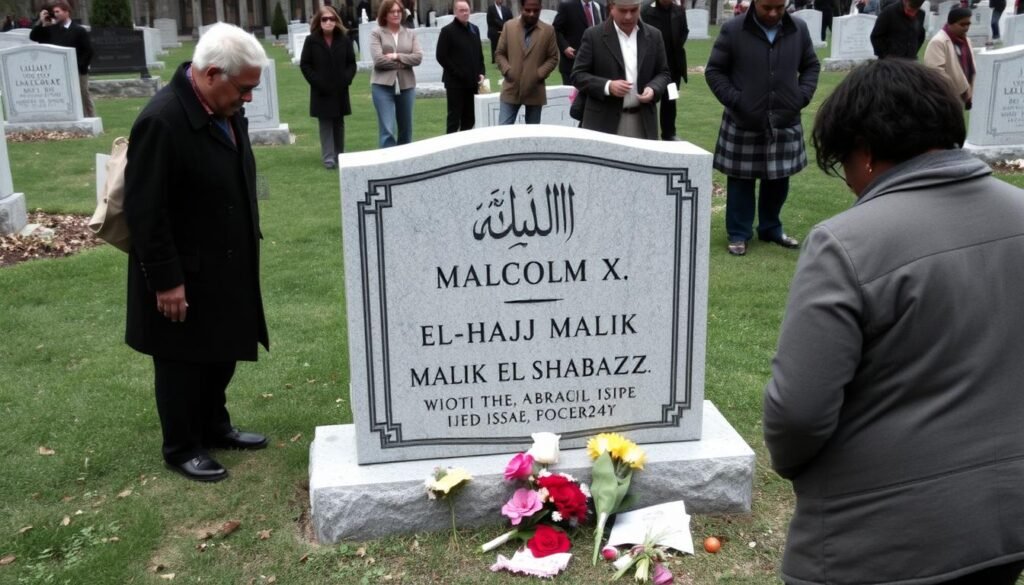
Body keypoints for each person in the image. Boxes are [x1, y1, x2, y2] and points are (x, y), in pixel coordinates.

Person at [765, 58, 1024, 585]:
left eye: (843, 163)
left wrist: (793, 463)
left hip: (880, 541)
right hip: (1007, 524)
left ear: (863, 151)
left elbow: (799, 413)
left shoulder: (845, 244)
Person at [123, 23, 271, 483]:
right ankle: (182, 445)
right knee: (181, 359)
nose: (249, 98)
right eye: (243, 88)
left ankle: (213, 425)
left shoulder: (224, 109)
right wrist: (165, 279)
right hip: (183, 267)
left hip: (223, 259)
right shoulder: (162, 120)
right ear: (210, 75)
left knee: (220, 350)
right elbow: (146, 210)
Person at [705, 0, 819, 256]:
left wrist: (800, 97)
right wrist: (737, 100)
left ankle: (771, 228)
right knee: (741, 181)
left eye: (779, 7)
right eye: (767, 7)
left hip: (784, 118)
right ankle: (738, 233)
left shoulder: (798, 29)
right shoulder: (734, 29)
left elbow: (811, 65)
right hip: (744, 119)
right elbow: (714, 71)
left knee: (778, 179)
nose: (773, 13)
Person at [571, 0, 670, 139]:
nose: (628, 16)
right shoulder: (593, 35)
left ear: (639, 7)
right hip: (603, 122)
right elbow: (578, 75)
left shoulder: (654, 35)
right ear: (612, 8)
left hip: (643, 121)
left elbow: (663, 73)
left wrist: (653, 88)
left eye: (633, 10)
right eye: (623, 11)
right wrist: (608, 86)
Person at [300, 5, 357, 169]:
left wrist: (346, 79)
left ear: (336, 21)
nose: (328, 22)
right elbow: (305, 64)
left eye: (332, 19)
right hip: (321, 90)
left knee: (339, 122)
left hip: (340, 89)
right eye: (324, 19)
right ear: (319, 21)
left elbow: (351, 63)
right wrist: (317, 81)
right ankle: (329, 159)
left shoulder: (344, 39)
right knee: (325, 123)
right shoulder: (311, 41)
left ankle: (340, 155)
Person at [495, 0, 559, 124]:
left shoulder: (548, 31)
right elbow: (500, 53)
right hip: (511, 89)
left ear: (541, 8)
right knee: (503, 130)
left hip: (535, 90)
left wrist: (538, 74)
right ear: (521, 8)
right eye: (528, 10)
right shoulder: (509, 27)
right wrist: (508, 71)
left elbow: (553, 57)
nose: (531, 14)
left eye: (536, 11)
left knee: (532, 133)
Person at [370, 0, 422, 147]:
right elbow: (378, 60)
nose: (396, 14)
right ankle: (388, 158)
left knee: (406, 128)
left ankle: (405, 160)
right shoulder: (377, 33)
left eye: (399, 11)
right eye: (392, 11)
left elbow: (418, 58)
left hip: (407, 85)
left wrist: (397, 56)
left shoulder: (410, 34)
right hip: (382, 86)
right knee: (387, 129)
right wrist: (404, 63)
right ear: (385, 14)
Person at [29, 1, 93, 117]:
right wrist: (41, 22)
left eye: (57, 11)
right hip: (57, 72)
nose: (55, 14)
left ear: (67, 12)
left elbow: (88, 51)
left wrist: (79, 67)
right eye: (53, 12)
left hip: (77, 71)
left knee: (83, 96)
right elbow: (34, 37)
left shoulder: (78, 30)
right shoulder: (52, 29)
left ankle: (89, 118)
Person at [641, 0, 688, 140]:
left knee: (671, 100)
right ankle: (647, 134)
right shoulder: (645, 10)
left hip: (673, 67)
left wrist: (676, 46)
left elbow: (684, 31)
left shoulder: (679, 11)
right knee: (648, 99)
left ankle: (669, 133)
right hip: (652, 65)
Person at [436, 0, 485, 133]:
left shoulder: (474, 29)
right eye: (461, 10)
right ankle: (450, 143)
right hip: (455, 83)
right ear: (455, 12)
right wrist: (457, 72)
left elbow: (479, 54)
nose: (465, 13)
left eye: (466, 10)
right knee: (454, 118)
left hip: (472, 82)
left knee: (470, 117)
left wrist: (481, 71)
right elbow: (441, 56)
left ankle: (465, 142)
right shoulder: (447, 31)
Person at [924, 6, 974, 109]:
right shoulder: (938, 42)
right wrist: (959, 90)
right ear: (951, 23)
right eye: (962, 24)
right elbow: (936, 73)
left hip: (962, 94)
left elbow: (970, 67)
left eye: (968, 24)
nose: (966, 28)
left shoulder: (966, 41)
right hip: (945, 97)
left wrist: (968, 90)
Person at [553, 0, 605, 84]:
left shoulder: (599, 7)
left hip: (596, 66)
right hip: (572, 63)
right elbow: (556, 29)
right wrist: (565, 47)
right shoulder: (567, 6)